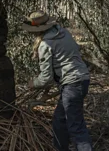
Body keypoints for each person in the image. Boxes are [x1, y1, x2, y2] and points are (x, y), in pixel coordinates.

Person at [23, 10, 92, 151]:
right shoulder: (63, 32)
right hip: (82, 79)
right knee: (60, 121)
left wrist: (33, 84)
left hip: (72, 84)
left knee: (75, 125)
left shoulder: (45, 45)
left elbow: (46, 78)